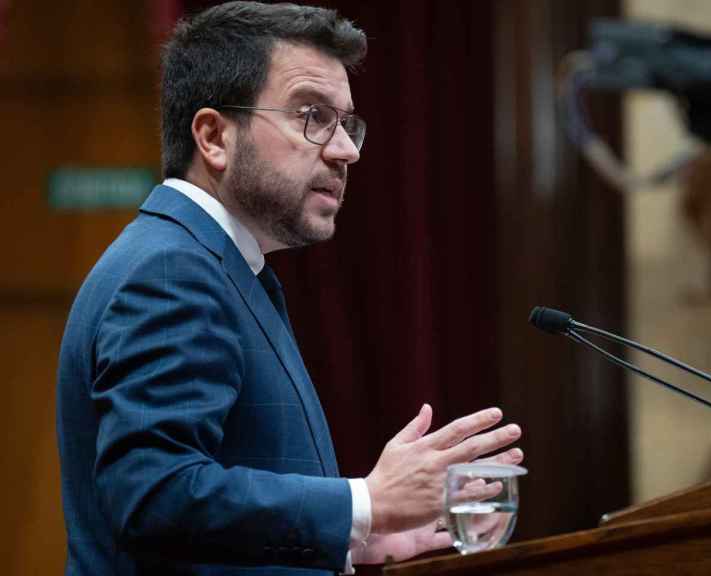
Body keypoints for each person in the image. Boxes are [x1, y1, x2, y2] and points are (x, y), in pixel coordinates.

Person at [55, 2, 523, 574]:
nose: (345, 150)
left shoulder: (215, 264)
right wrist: (365, 502)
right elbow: (155, 494)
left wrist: (351, 537)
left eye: (347, 123)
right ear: (213, 137)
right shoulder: (173, 272)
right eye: (312, 116)